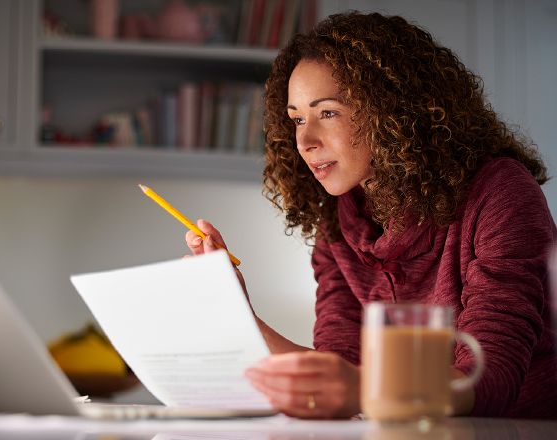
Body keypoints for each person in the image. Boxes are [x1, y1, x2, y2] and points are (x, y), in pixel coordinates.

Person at [185, 11, 557, 419]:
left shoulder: (500, 192)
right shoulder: (336, 223)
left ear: (393, 110)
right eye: (296, 119)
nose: (305, 141)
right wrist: (239, 313)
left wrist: (363, 391)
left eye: (327, 112)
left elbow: (489, 375)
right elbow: (339, 371)